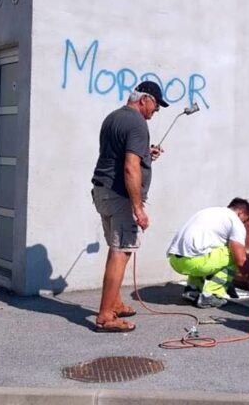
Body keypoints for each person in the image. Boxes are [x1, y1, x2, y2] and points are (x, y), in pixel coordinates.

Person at [89, 80, 167, 332]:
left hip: (102, 191)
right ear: (144, 99)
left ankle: (116, 302)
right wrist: (138, 208)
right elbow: (129, 167)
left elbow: (121, 155)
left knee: (119, 248)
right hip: (120, 196)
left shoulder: (113, 117)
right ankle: (105, 316)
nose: (156, 111)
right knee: (120, 252)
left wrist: (147, 153)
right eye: (156, 105)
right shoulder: (137, 123)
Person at [167, 198, 249, 308]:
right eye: (244, 220)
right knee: (233, 253)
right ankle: (211, 295)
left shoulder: (209, 212)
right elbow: (241, 260)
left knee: (205, 250)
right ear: (241, 212)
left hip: (175, 260)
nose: (243, 223)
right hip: (194, 262)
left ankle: (193, 290)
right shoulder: (235, 221)